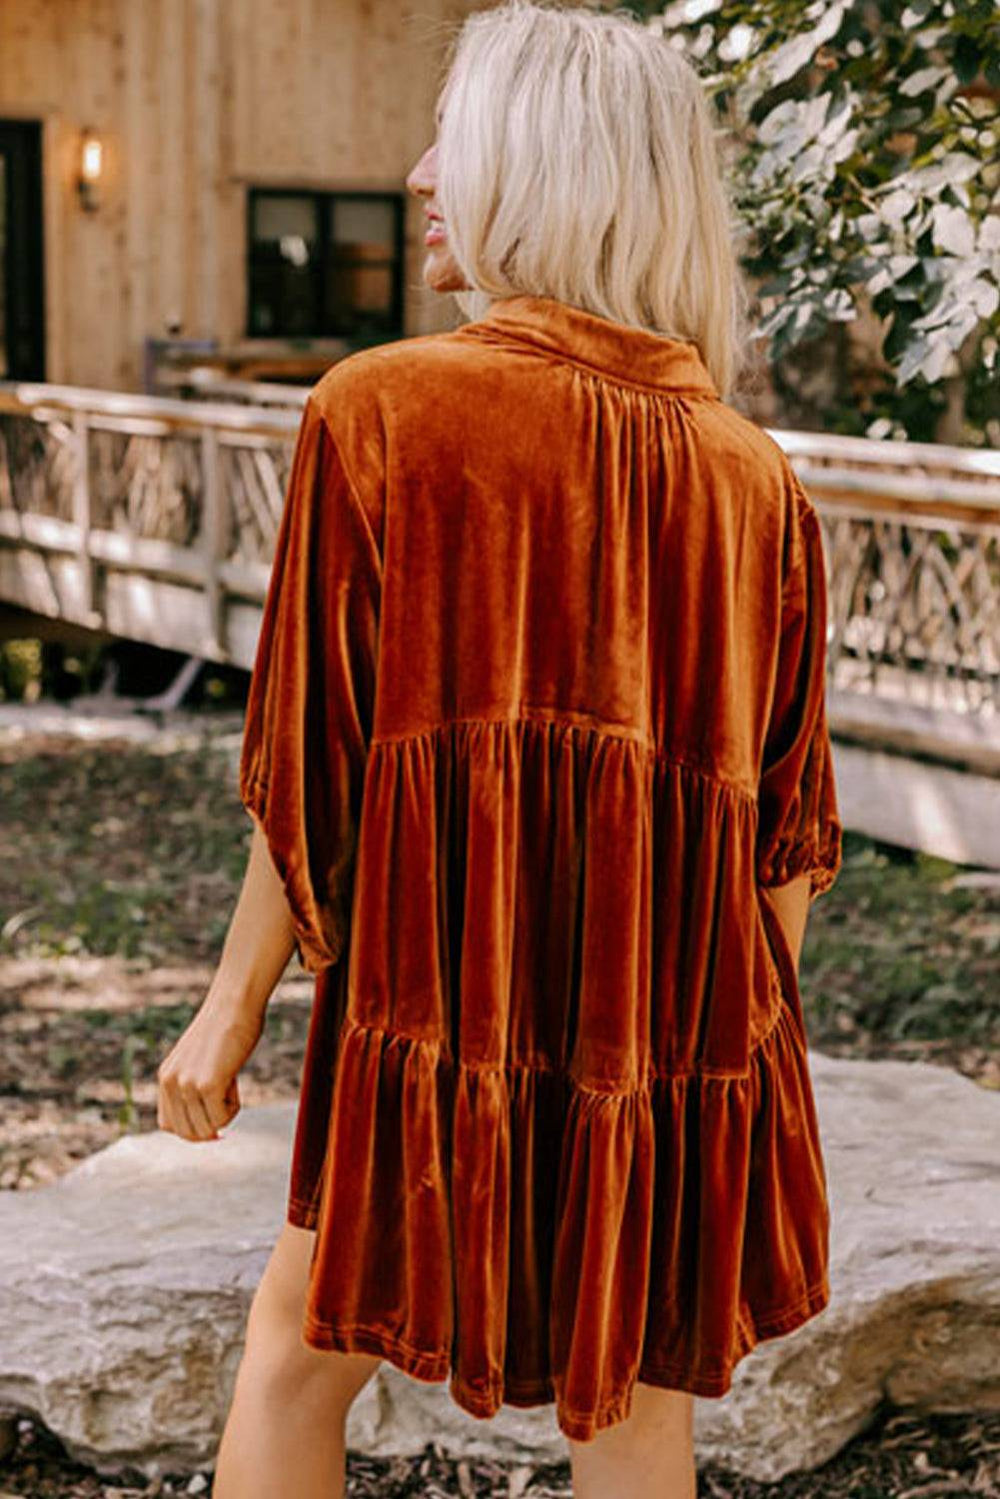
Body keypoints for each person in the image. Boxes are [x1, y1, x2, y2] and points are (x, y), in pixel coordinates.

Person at [156, 3, 844, 1496]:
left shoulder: (381, 411)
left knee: (295, 1353)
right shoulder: (753, 480)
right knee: (637, 1410)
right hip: (664, 1046)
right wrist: (709, 1085)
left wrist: (232, 1009)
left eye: (450, 142)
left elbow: (310, 765)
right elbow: (785, 848)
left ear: (540, 171)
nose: (416, 175)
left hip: (430, 996)